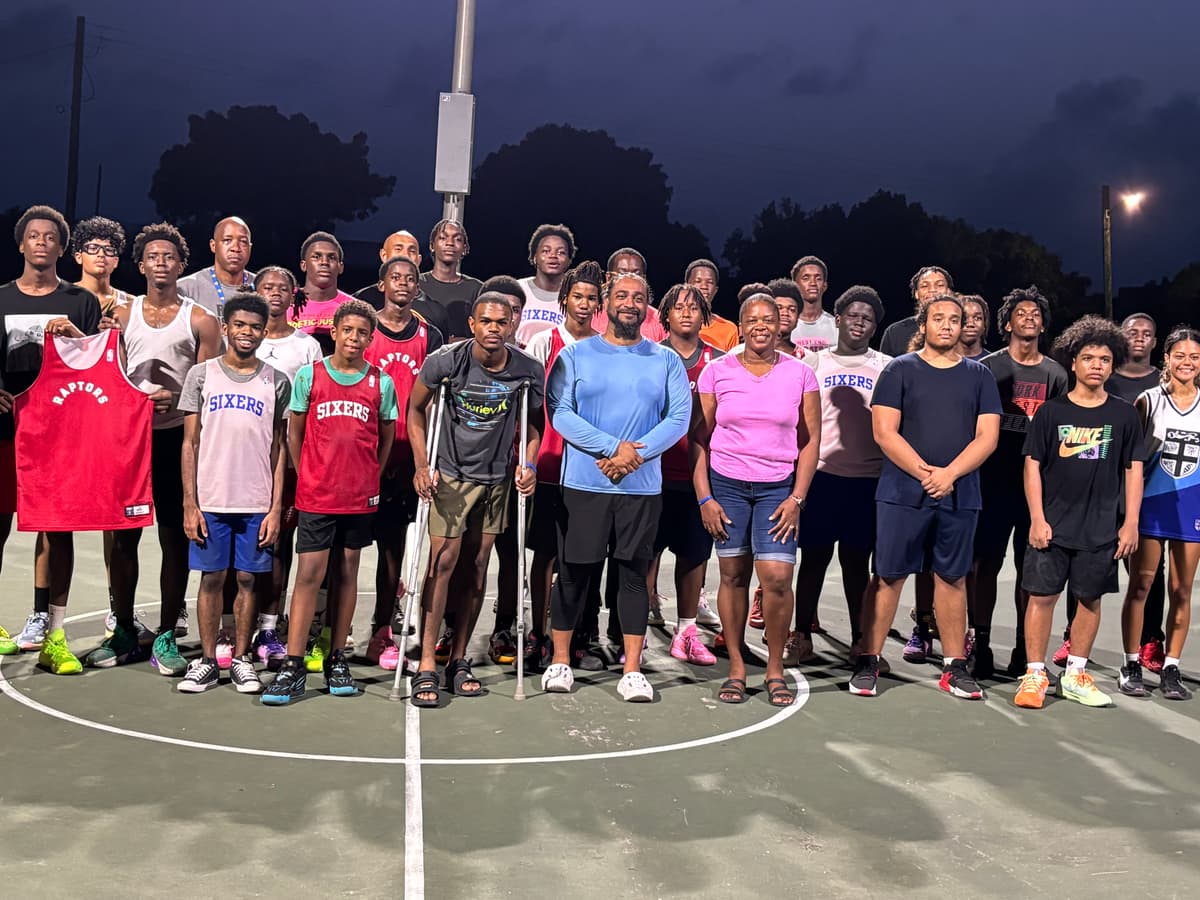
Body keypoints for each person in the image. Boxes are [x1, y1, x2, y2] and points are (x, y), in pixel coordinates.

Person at [543, 272, 690, 701]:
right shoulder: (574, 355)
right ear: (606, 302)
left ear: (648, 308)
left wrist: (634, 456)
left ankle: (631, 670)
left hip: (640, 489)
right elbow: (560, 413)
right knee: (572, 574)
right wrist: (612, 448)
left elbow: (678, 418)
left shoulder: (665, 360)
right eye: (621, 295)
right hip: (584, 484)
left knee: (632, 576)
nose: (629, 302)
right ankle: (561, 661)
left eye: (638, 297)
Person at [851, 294, 1000, 699]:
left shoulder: (979, 376)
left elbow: (988, 436)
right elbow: (884, 432)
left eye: (956, 319)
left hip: (960, 492)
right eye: (939, 318)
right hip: (902, 493)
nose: (948, 325)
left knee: (952, 578)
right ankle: (869, 658)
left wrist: (950, 474)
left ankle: (955, 666)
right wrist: (925, 474)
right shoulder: (899, 369)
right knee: (888, 575)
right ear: (924, 323)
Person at [406, 293, 543, 707]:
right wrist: (420, 465)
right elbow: (415, 411)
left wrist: (530, 464)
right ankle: (427, 661)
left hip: (497, 479)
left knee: (478, 567)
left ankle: (460, 658)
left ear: (512, 325)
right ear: (472, 323)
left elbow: (534, 426)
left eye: (502, 322)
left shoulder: (527, 370)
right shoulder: (447, 361)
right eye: (486, 321)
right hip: (450, 475)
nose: (494, 328)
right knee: (443, 563)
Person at [261, 300, 397, 705]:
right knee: (309, 574)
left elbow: (386, 436)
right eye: (348, 330)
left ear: (370, 340)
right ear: (334, 332)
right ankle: (295, 663)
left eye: (362, 333)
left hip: (358, 494)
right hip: (317, 492)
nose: (354, 338)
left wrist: (372, 473)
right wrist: (307, 475)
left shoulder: (380, 382)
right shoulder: (311, 376)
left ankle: (338, 656)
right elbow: (294, 432)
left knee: (347, 573)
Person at [692, 293, 820, 705]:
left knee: (778, 578)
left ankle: (775, 668)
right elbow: (699, 439)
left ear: (781, 325)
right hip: (727, 485)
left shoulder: (801, 375)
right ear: (741, 327)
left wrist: (797, 497)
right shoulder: (717, 372)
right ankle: (735, 666)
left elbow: (810, 440)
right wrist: (704, 498)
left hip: (777, 488)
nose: (761, 326)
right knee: (732, 576)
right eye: (752, 319)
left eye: (769, 319)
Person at [106, 222, 222, 675]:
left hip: (178, 439)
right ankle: (122, 630)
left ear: (180, 265)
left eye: (168, 257)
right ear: (140, 265)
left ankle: (168, 634)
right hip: (130, 441)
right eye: (152, 257)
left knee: (175, 536)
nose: (161, 263)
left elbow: (209, 385)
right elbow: (104, 376)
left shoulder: (200, 319)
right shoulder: (119, 315)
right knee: (122, 538)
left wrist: (176, 399)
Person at [1014, 316, 1144, 710]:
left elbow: (1132, 469)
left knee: (1089, 600)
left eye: (1104, 359)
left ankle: (1075, 673)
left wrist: (1130, 522)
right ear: (1074, 362)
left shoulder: (1124, 415)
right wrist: (1037, 517)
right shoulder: (1051, 413)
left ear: (1112, 364)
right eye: (1088, 358)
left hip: (1101, 527)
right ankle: (1035, 673)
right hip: (1052, 525)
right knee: (1041, 598)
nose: (1096, 365)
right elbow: (1032, 465)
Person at [2, 206, 103, 662]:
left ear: (62, 249)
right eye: (33, 236)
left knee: (57, 532)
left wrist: (78, 334)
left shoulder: (80, 301)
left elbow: (94, 363)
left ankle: (53, 635)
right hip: (6, 433)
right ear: (21, 244)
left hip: (60, 436)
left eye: (50, 237)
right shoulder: (1, 298)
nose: (41, 242)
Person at [178, 293, 289, 693]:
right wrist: (190, 503)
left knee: (247, 579)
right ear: (225, 328)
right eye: (240, 325)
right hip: (211, 499)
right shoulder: (201, 375)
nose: (247, 333)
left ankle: (242, 659)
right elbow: (189, 444)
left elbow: (279, 448)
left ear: (264, 332)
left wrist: (276, 508)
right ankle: (208, 661)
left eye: (255, 327)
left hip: (256, 500)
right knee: (212, 578)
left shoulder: (277, 380)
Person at [971, 287, 1067, 680]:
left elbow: (1063, 435)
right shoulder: (987, 369)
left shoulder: (1056, 374)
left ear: (1043, 324)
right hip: (992, 483)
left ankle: (1025, 650)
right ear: (1007, 323)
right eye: (1020, 313)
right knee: (985, 567)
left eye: (1036, 314)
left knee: (1030, 572)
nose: (1029, 318)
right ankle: (980, 642)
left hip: (1036, 489)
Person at [794, 286, 891, 663]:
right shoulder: (814, 363)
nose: (859, 322)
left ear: (874, 326)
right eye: (853, 315)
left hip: (867, 480)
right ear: (838, 320)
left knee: (856, 564)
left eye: (867, 318)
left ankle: (859, 639)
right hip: (823, 476)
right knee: (814, 560)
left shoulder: (885, 366)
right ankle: (801, 634)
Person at [518, 262, 604, 667]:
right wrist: (529, 460)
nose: (584, 304)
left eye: (591, 298)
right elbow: (531, 412)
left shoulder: (605, 348)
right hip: (550, 466)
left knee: (581, 557)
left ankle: (577, 635)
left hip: (588, 469)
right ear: (565, 299)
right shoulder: (542, 343)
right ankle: (538, 632)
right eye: (578, 296)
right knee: (546, 555)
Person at [362, 255, 444, 669]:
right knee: (349, 548)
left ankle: (385, 629)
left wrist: (424, 458)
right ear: (381, 284)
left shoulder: (430, 335)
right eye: (394, 277)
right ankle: (329, 628)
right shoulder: (363, 330)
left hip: (413, 458)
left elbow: (433, 400)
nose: (402, 283)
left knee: (398, 550)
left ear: (417, 288)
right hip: (366, 456)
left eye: (410, 278)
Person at [1118, 327, 1200, 700]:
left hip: (1191, 508)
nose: (1187, 363)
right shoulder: (1148, 401)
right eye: (1179, 355)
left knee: (1182, 590)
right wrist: (1128, 516)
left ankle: (1171, 668)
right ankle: (1131, 662)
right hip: (1150, 505)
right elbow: (1131, 461)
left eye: (1194, 357)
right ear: (1166, 358)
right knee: (1141, 586)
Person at [252, 266, 323, 666]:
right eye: (267, 287)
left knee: (280, 543)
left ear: (293, 296)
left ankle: (271, 625)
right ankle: (237, 625)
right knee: (249, 544)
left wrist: (299, 462)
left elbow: (309, 409)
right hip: (248, 458)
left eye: (283, 288)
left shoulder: (307, 346)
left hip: (290, 460)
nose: (275, 294)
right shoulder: (243, 338)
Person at [652, 283, 723, 666]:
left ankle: (687, 631)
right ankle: (640, 632)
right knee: (647, 553)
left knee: (694, 557)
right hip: (652, 476)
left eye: (693, 308)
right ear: (665, 315)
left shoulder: (719, 361)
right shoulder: (650, 355)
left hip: (698, 478)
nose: (685, 313)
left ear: (704, 316)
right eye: (677, 307)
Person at [1108, 312, 1167, 672]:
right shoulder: (1106, 377)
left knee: (1149, 571)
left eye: (1148, 333)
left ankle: (1150, 640)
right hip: (1103, 484)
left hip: (1149, 489)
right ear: (1122, 336)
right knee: (1091, 560)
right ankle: (1071, 634)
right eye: (1133, 332)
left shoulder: (1167, 383)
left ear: (1156, 343)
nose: (1140, 337)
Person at [353, 229, 452, 340]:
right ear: (384, 255)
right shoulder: (360, 301)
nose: (405, 255)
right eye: (398, 249)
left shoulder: (436, 312)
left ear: (419, 260)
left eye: (412, 251)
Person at [289, 231, 355, 354]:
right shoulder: (285, 301)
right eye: (316, 256)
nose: (324, 262)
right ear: (303, 265)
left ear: (340, 267)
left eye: (331, 257)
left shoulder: (353, 308)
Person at [177, 217, 254, 317]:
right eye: (227, 240)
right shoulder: (185, 289)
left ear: (250, 248)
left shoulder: (265, 287)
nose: (235, 248)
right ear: (213, 245)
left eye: (243, 242)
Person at [419, 219, 482, 342]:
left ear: (464, 248)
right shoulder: (416, 284)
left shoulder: (477, 288)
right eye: (443, 238)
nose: (450, 243)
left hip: (461, 357)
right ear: (432, 246)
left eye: (457, 239)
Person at [516, 224, 576, 347]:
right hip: (518, 362)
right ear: (534, 257)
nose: (553, 256)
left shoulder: (575, 295)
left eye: (561, 252)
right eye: (546, 251)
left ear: (569, 260)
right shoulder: (518, 289)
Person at [589, 248, 667, 341]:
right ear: (608, 278)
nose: (629, 280)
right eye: (622, 275)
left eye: (636, 275)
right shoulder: (590, 316)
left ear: (644, 280)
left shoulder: (659, 321)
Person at [878, 266, 953, 357]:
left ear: (949, 291)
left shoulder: (962, 329)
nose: (932, 290)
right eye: (925, 286)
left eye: (940, 285)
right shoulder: (895, 332)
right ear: (916, 293)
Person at [72, 216, 131, 318]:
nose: (101, 254)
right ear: (79, 257)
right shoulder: (62, 297)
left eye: (108, 250)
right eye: (93, 248)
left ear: (116, 261)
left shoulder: (130, 304)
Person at [788, 256, 837, 353]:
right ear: (795, 285)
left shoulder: (837, 327)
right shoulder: (784, 325)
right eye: (806, 278)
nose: (813, 283)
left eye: (818, 279)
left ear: (824, 286)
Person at [688, 260, 738, 351]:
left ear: (715, 290)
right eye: (698, 281)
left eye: (710, 282)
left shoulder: (729, 329)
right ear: (686, 286)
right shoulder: (672, 326)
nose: (704, 286)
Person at [767, 278, 803, 356]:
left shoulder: (807, 357)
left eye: (792, 309)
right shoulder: (743, 352)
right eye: (779, 308)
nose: (785, 313)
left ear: (797, 318)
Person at [958, 294, 990, 360]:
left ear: (984, 324)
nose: (970, 324)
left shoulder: (994, 363)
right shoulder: (940, 361)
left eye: (977, 318)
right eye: (964, 318)